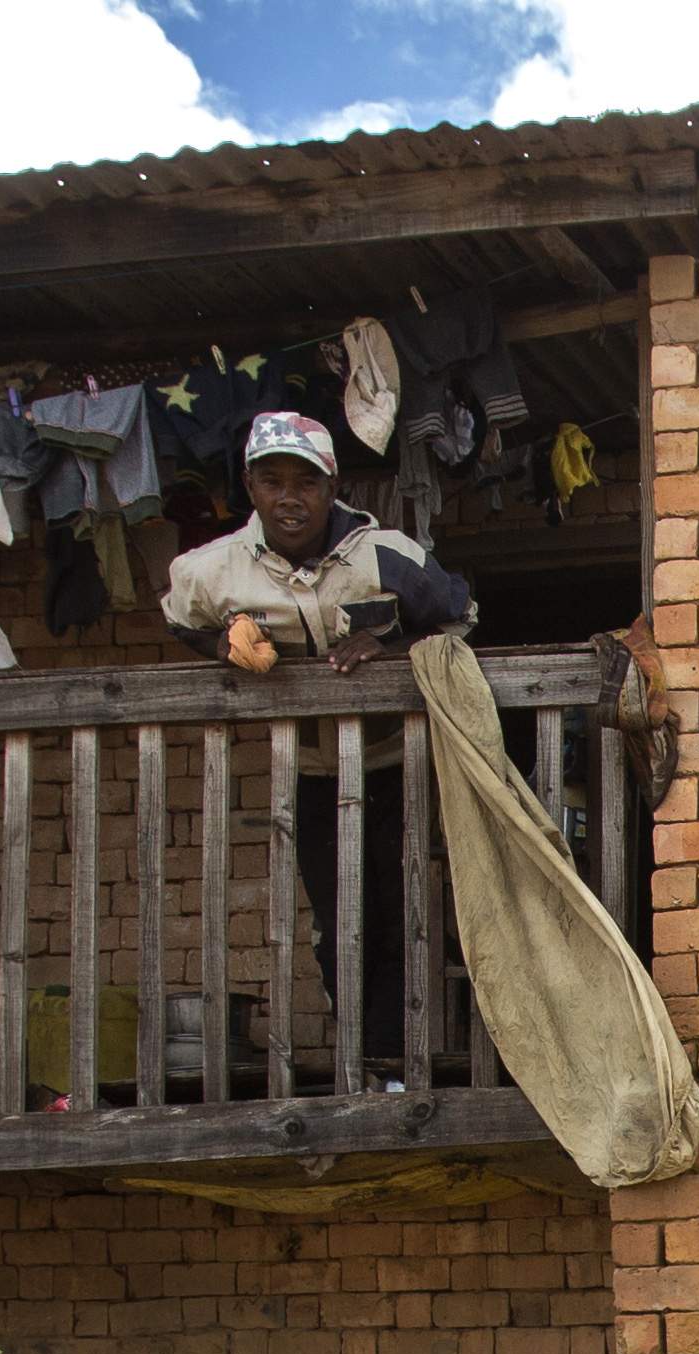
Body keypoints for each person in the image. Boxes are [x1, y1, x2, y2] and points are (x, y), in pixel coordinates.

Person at [159, 412, 476, 1078]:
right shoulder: (213, 570)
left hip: (395, 765)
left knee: (399, 912)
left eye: (305, 482)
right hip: (310, 771)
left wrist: (388, 646)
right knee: (338, 919)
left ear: (332, 487)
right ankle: (359, 1060)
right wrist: (219, 645)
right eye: (271, 481)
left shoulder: (384, 555)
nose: (288, 498)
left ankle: (391, 1063)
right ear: (250, 486)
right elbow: (178, 619)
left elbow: (458, 616)